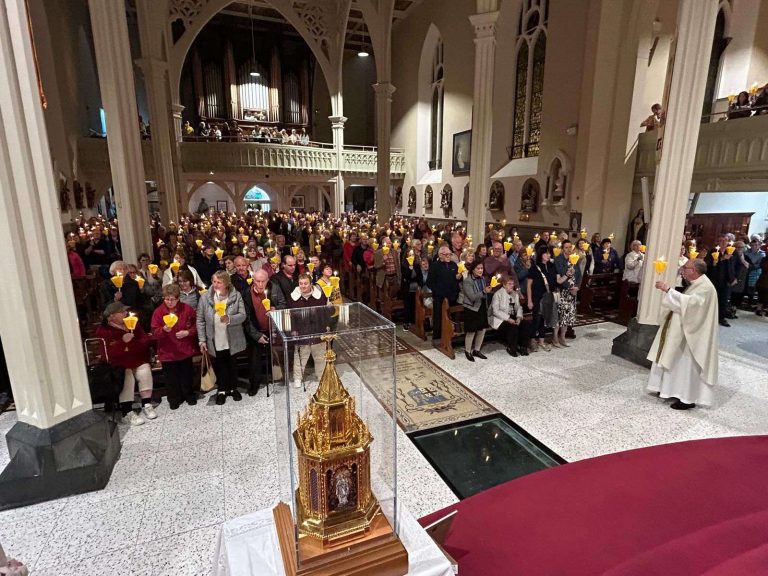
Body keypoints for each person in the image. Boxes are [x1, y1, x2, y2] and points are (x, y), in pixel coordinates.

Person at [647, 259, 719, 410]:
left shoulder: (706, 288)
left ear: (694, 271)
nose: (683, 269)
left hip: (693, 336)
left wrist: (668, 290)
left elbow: (692, 305)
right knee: (677, 362)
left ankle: (687, 398)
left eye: (686, 267)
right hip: (683, 331)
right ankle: (671, 390)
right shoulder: (697, 284)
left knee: (686, 366)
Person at [96, 302, 157, 425]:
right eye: (122, 312)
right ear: (111, 316)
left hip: (137, 359)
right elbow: (108, 353)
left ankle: (147, 404)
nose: (125, 313)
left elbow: (144, 341)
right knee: (127, 375)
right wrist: (123, 342)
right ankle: (126, 412)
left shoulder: (132, 323)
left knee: (144, 370)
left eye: (125, 311)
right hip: (119, 365)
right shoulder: (103, 331)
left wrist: (129, 346)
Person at [197, 270, 247, 405]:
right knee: (220, 364)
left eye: (219, 282)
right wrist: (202, 340)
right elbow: (200, 320)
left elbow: (243, 315)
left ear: (226, 283)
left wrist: (229, 318)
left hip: (231, 337)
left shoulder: (236, 296)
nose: (216, 285)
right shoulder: (205, 298)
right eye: (214, 282)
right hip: (214, 338)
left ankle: (233, 388)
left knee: (232, 363)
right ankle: (222, 390)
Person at [151, 284, 198, 410]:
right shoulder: (158, 312)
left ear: (178, 298)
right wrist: (163, 330)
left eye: (172, 299)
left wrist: (187, 332)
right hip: (167, 351)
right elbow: (154, 332)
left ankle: (189, 395)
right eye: (166, 299)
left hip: (184, 349)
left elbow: (196, 326)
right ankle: (174, 398)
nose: (169, 302)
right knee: (171, 377)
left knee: (186, 374)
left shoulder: (187, 309)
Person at [288, 273, 330, 388]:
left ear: (311, 284)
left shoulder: (320, 296)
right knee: (300, 357)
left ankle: (321, 376)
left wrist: (326, 325)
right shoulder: (293, 297)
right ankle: (298, 378)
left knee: (320, 356)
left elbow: (325, 312)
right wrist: (293, 329)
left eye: (305, 283)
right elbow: (291, 315)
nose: (303, 286)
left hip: (317, 330)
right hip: (302, 331)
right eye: (301, 283)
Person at [243, 269, 271, 396]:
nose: (260, 284)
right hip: (254, 332)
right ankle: (254, 384)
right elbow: (246, 319)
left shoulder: (273, 290)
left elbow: (282, 304)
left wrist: (275, 310)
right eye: (257, 281)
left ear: (267, 281)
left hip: (271, 329)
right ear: (253, 280)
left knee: (273, 355)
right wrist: (257, 336)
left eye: (263, 281)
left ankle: (274, 378)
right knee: (254, 359)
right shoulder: (246, 294)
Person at [527, 246, 558, 352]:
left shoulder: (552, 266)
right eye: (546, 253)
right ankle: (532, 340)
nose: (548, 255)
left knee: (544, 319)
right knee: (537, 319)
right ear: (541, 255)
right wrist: (529, 300)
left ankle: (541, 340)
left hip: (548, 296)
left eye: (549, 253)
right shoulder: (535, 267)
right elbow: (529, 284)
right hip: (537, 297)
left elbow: (555, 280)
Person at [489, 275, 529, 356]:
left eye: (513, 284)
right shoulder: (498, 294)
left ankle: (523, 347)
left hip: (513, 316)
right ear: (504, 285)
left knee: (525, 324)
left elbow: (519, 307)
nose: (512, 286)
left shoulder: (515, 294)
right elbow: (495, 311)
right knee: (512, 326)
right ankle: (512, 347)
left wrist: (519, 317)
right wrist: (508, 318)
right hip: (500, 319)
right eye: (509, 284)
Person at [427, 246, 461, 340]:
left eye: (450, 254)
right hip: (439, 298)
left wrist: (459, 277)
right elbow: (429, 282)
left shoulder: (453, 265)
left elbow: (457, 279)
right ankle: (438, 337)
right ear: (440, 255)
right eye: (447, 254)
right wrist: (438, 292)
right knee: (439, 318)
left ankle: (453, 335)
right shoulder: (434, 266)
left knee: (453, 316)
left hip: (452, 296)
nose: (449, 256)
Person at [460, 260, 492, 361]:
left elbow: (483, 295)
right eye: (478, 268)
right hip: (471, 308)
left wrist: (487, 291)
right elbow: (472, 297)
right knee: (471, 331)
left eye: (481, 268)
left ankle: (477, 350)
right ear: (473, 270)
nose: (480, 270)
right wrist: (484, 291)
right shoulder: (467, 281)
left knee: (482, 329)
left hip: (481, 306)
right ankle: (468, 351)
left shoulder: (482, 279)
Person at [705, 236, 736, 326]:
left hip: (726, 281)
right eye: (721, 241)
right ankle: (709, 318)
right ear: (717, 242)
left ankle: (721, 318)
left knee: (723, 300)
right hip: (714, 280)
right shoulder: (712, 252)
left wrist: (734, 278)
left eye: (725, 241)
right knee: (712, 299)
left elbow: (734, 266)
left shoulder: (730, 252)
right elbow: (708, 265)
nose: (723, 243)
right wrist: (721, 259)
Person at [554, 240, 579, 347]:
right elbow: (560, 273)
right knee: (559, 316)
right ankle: (555, 337)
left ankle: (563, 337)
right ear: (562, 249)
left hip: (572, 292)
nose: (568, 250)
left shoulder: (574, 259)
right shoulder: (558, 259)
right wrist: (569, 287)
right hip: (562, 291)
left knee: (567, 316)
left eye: (570, 247)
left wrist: (577, 287)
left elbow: (579, 274)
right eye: (566, 247)